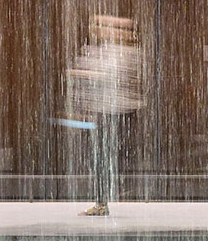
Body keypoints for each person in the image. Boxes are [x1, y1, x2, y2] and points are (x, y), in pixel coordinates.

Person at [60, 14, 145, 215]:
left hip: (117, 113)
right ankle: (102, 201)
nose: (95, 29)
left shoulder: (122, 52)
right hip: (106, 113)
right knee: (102, 159)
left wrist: (82, 74)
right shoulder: (103, 50)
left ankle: (107, 199)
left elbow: (111, 75)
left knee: (107, 158)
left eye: (99, 26)